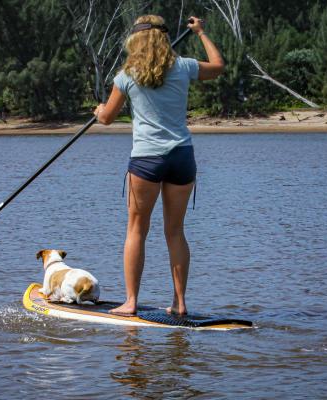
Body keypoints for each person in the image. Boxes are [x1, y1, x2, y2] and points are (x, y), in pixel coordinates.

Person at [94, 15, 224, 316]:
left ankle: (130, 302)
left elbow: (106, 118)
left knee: (136, 230)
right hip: (181, 158)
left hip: (146, 160)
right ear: (164, 39)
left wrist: (98, 109)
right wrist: (201, 32)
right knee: (175, 232)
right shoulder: (185, 67)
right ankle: (179, 303)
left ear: (135, 42)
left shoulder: (126, 76)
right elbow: (218, 67)